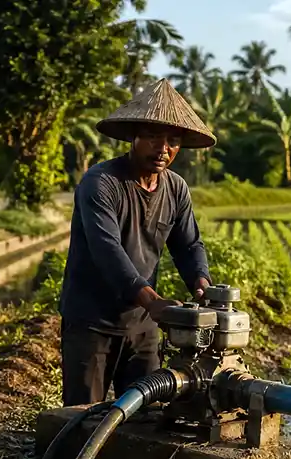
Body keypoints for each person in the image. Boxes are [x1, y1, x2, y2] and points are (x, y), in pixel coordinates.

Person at [59, 79, 215, 406]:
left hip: (143, 327)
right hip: (92, 323)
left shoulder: (175, 189)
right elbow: (107, 252)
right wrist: (153, 301)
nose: (163, 148)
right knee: (83, 416)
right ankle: (66, 458)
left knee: (146, 416)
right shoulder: (101, 183)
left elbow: (188, 246)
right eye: (154, 137)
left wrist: (202, 285)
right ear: (134, 137)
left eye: (173, 140)